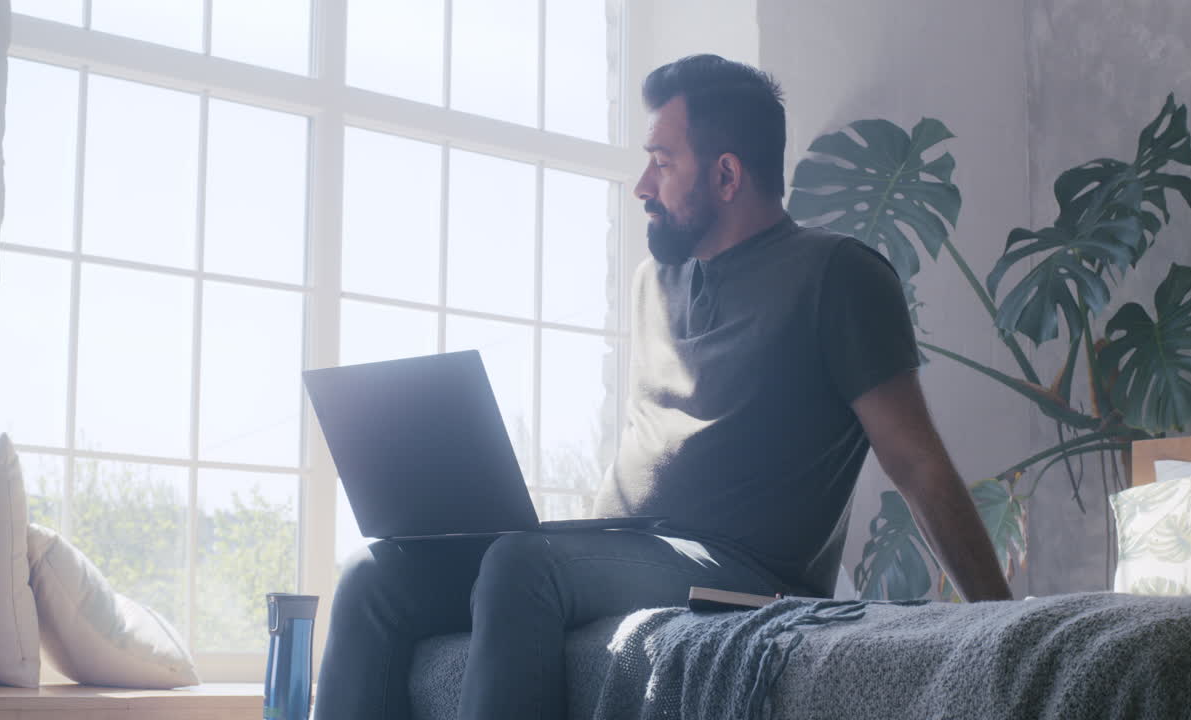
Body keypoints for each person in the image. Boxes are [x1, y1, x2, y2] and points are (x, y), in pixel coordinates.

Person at [313, 53, 1011, 720]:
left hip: (746, 572)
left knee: (522, 567)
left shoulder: (838, 276)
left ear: (727, 176)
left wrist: (1004, 620)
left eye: (661, 162)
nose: (642, 186)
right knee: (376, 578)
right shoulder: (658, 283)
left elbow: (916, 460)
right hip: (625, 544)